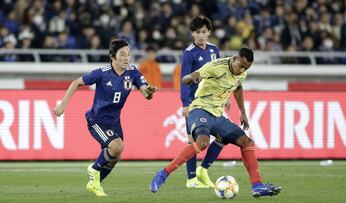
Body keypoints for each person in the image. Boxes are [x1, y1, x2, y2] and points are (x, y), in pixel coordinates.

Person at [150, 47, 282, 198]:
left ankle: (257, 185)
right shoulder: (215, 66)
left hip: (218, 115)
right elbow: (188, 78)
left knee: (247, 142)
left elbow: (238, 88)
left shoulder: (242, 73)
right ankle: (163, 173)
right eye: (241, 66)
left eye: (246, 68)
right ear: (234, 58)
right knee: (202, 142)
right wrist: (190, 78)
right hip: (200, 109)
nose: (242, 70)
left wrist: (243, 112)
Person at [53, 39, 156, 197]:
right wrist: (63, 104)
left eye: (128, 54)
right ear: (112, 56)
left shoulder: (133, 72)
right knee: (117, 147)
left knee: (115, 156)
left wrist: (149, 91)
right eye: (122, 54)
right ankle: (93, 169)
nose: (126, 58)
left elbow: (146, 94)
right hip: (97, 120)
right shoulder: (102, 72)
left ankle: (95, 184)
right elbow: (76, 83)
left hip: (114, 121)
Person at [180, 16, 223, 189]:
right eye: (198, 32)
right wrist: (185, 103)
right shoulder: (189, 53)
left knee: (222, 136)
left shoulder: (214, 50)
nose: (201, 35)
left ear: (209, 32)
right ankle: (191, 179)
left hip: (213, 101)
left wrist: (223, 97)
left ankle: (203, 171)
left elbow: (220, 75)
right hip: (195, 102)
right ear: (192, 33)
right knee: (193, 140)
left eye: (204, 32)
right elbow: (182, 78)